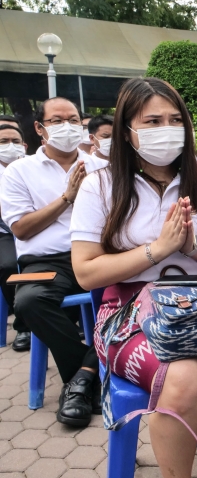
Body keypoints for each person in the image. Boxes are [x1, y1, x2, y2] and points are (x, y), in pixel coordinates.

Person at [71, 77, 197, 478]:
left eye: (175, 120)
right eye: (152, 121)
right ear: (127, 131)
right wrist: (158, 249)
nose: (166, 130)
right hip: (126, 314)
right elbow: (85, 272)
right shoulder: (100, 186)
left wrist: (192, 247)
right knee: (185, 376)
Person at [0, 97, 107, 427]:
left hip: (96, 255)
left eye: (74, 120)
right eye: (58, 120)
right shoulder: (20, 171)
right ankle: (86, 378)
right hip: (49, 261)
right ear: (40, 128)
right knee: (29, 302)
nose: (69, 127)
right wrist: (66, 199)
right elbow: (21, 227)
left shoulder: (101, 166)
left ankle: (79, 385)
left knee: (130, 296)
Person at [0, 121, 30, 351]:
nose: (10, 146)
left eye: (15, 142)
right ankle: (24, 326)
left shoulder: (34, 169)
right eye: (3, 142)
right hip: (6, 234)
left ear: (24, 145)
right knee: (9, 266)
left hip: (36, 230)